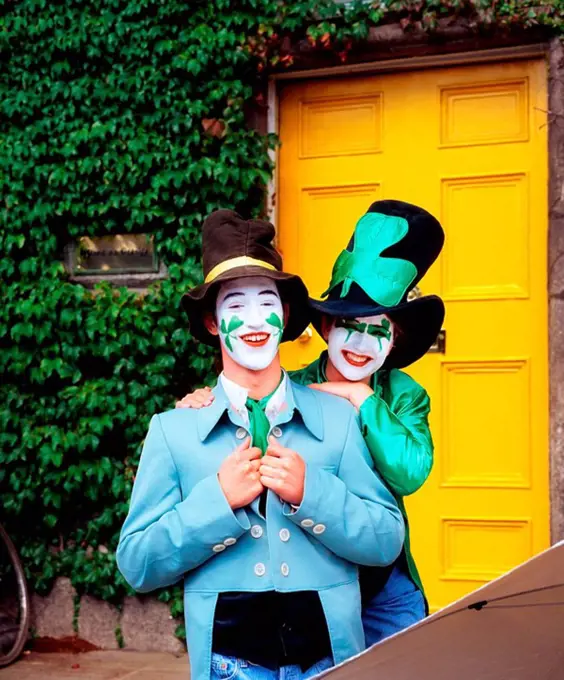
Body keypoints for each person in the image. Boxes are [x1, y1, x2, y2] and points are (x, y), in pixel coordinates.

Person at [117, 209, 405, 680]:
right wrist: (217, 502)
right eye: (234, 306)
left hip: (330, 659)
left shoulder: (338, 419)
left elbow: (386, 540)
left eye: (265, 302)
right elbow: (138, 563)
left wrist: (313, 492)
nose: (253, 320)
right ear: (212, 323)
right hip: (228, 664)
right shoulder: (173, 430)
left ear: (285, 314)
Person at [176, 200, 445, 646]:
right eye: (348, 326)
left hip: (385, 582)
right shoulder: (291, 387)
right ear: (324, 325)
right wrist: (203, 401)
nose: (361, 343)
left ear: (395, 340)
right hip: (316, 577)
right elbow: (245, 432)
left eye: (379, 330)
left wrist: (362, 399)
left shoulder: (404, 395)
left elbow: (409, 471)